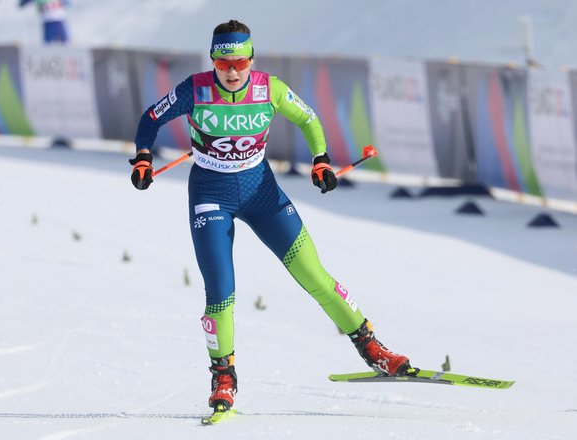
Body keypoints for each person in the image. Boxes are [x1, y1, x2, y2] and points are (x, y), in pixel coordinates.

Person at [129, 19, 415, 414]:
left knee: (315, 276)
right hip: (211, 196)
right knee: (220, 292)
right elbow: (150, 119)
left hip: (261, 193)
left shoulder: (270, 88)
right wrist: (143, 156)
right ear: (213, 59)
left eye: (241, 62)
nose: (232, 71)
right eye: (224, 62)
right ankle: (223, 376)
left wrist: (320, 161)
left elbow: (309, 119)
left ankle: (371, 347)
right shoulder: (194, 90)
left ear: (251, 60)